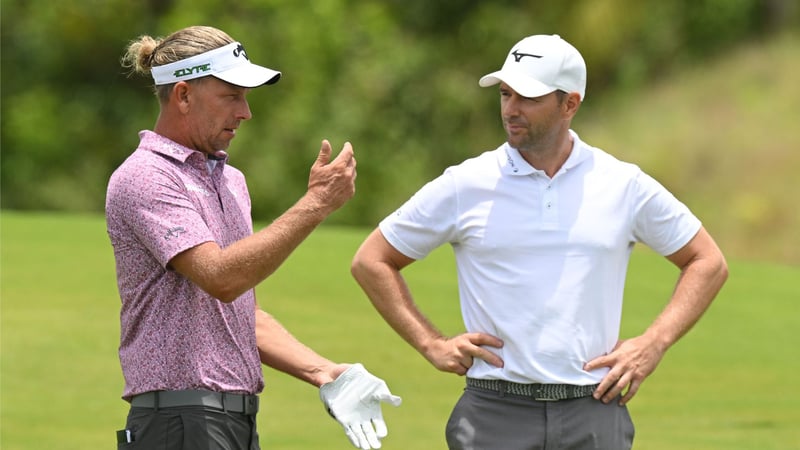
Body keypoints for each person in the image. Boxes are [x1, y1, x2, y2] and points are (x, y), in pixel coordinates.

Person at [351, 34, 728, 449]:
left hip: (594, 411)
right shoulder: (466, 184)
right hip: (493, 413)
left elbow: (707, 261)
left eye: (528, 97)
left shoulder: (623, 184)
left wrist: (654, 342)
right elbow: (372, 260)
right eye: (505, 94)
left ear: (570, 104)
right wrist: (431, 342)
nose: (511, 109)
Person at [106, 25, 400, 450]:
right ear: (183, 95)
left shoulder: (230, 181)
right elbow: (221, 278)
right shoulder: (146, 176)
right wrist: (316, 203)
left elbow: (241, 315)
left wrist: (324, 372)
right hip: (179, 422)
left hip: (232, 422)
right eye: (231, 96)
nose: (245, 112)